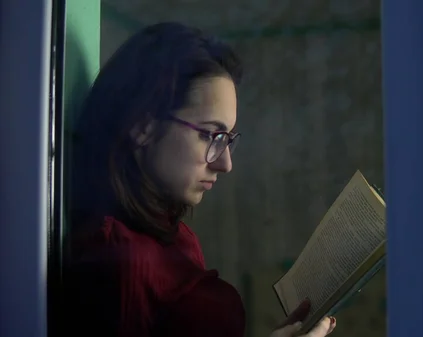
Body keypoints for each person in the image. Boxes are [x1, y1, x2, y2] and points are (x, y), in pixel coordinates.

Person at [63, 22, 336, 337]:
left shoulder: (176, 238)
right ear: (142, 126)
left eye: (228, 139)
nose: (225, 163)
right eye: (211, 135)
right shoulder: (118, 258)